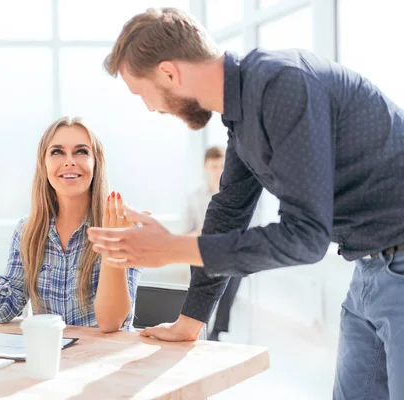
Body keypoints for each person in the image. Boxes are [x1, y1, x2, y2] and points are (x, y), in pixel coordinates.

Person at [86, 7, 404, 399]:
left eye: (143, 94)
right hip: (371, 270)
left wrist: (173, 248)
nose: (152, 108)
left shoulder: (285, 85)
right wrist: (190, 321)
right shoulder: (242, 116)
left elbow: (305, 237)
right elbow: (227, 213)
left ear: (169, 72)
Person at [0, 116, 141, 333]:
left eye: (81, 151)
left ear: (96, 163)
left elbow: (111, 323)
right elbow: (2, 309)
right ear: (44, 164)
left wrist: (112, 245)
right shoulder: (27, 231)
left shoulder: (124, 226)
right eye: (57, 152)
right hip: (51, 354)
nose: (69, 161)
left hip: (106, 358)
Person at [183, 146, 239, 341]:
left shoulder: (236, 196)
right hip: (203, 252)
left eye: (222, 166)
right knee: (198, 266)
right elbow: (185, 236)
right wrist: (200, 231)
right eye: (214, 166)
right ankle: (199, 322)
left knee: (231, 271)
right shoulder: (194, 198)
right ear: (205, 167)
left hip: (230, 253)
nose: (218, 171)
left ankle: (217, 330)